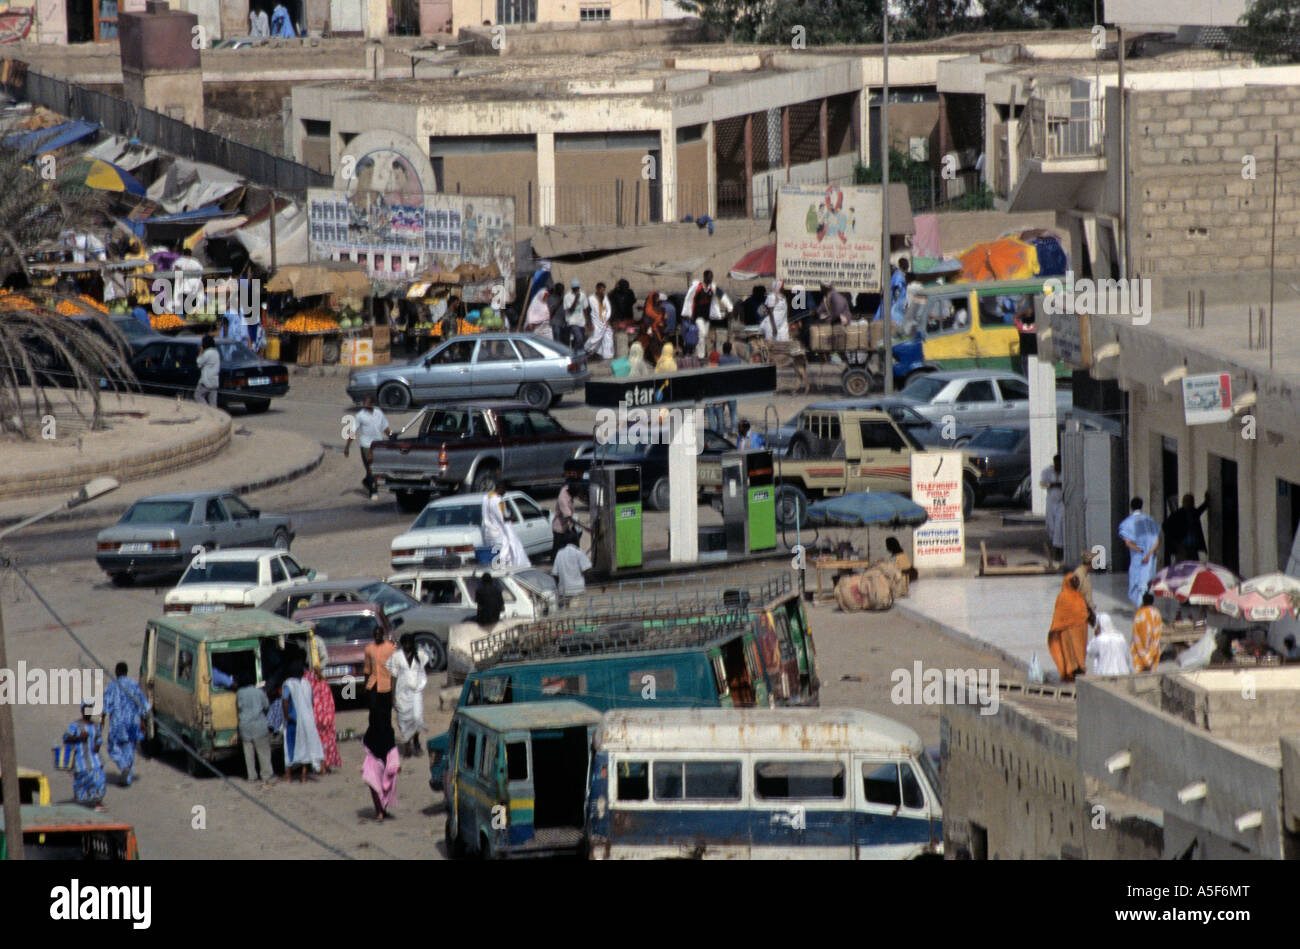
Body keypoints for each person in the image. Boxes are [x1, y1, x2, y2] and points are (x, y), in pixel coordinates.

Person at [100, 662, 150, 788]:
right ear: (126, 672)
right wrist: (143, 722)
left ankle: (123, 767)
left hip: (118, 722)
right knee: (129, 749)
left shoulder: (112, 685)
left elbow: (106, 705)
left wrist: (102, 721)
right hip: (133, 722)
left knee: (112, 746)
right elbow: (143, 705)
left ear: (116, 672)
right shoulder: (134, 685)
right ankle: (126, 779)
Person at [343, 395, 393, 502]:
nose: (365, 406)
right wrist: (347, 447)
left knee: (377, 468)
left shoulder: (379, 413)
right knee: (371, 468)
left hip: (378, 445)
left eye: (367, 403)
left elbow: (385, 428)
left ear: (372, 404)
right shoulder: (360, 415)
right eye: (364, 403)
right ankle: (373, 491)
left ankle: (367, 481)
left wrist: (393, 439)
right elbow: (353, 431)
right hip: (366, 445)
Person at [281, 661, 324, 781]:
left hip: (293, 720)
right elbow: (312, 701)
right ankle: (304, 776)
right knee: (305, 746)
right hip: (308, 719)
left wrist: (286, 715)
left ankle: (288, 774)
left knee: (290, 747)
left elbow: (285, 700)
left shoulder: (288, 684)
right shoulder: (307, 683)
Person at [361, 700, 401, 822]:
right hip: (386, 762)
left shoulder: (371, 731)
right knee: (384, 788)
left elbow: (366, 742)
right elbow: (392, 747)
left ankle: (379, 812)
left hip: (374, 762)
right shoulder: (389, 731)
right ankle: (383, 810)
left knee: (374, 788)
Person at [1119, 498, 1162, 607]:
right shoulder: (1150, 521)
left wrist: (1139, 550)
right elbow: (1157, 541)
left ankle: (1141, 609)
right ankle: (1147, 606)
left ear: (1131, 507)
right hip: (1150, 558)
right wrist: (1148, 554)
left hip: (1137, 558)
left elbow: (1128, 543)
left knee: (1137, 585)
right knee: (1147, 583)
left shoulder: (1127, 523)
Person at [63, 703, 108, 810]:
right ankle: (81, 801)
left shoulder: (96, 726)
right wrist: (79, 737)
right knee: (82, 782)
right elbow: (66, 738)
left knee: (99, 778)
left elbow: (98, 739)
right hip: (80, 760)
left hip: (94, 759)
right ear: (82, 711)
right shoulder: (75, 725)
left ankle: (98, 802)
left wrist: (98, 744)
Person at [1047, 574, 1089, 682]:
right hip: (1068, 631)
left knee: (1077, 653)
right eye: (1074, 580)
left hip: (1078, 631)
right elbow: (1059, 614)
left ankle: (1077, 670)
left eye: (1077, 580)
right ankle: (1072, 672)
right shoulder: (1064, 597)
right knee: (1071, 653)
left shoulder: (1079, 596)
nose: (1077, 582)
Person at [682, 269, 731, 359]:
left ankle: (701, 353)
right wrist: (686, 312)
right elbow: (688, 299)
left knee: (704, 336)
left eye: (712, 277)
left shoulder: (712, 288)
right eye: (709, 277)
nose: (711, 278)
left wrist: (729, 307)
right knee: (702, 333)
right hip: (698, 316)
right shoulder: (697, 287)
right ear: (705, 277)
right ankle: (700, 355)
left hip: (707, 316)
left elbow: (722, 296)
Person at [482, 480, 530, 567]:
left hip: (489, 531)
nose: (505, 492)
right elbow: (502, 518)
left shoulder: (486, 498)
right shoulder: (498, 501)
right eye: (505, 490)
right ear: (501, 488)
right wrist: (512, 517)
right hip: (500, 532)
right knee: (504, 552)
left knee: (494, 552)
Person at [236, 672, 274, 783]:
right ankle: (266, 775)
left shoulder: (239, 693)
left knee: (249, 753)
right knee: (263, 752)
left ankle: (251, 776)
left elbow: (239, 707)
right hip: (259, 725)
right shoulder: (259, 692)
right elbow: (267, 706)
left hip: (245, 726)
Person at [305, 663, 341, 773]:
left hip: (315, 718)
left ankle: (321, 767)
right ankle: (325, 764)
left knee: (317, 742)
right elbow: (330, 702)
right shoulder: (325, 684)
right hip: (327, 717)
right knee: (327, 741)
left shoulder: (310, 686)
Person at [1162, 492, 1210, 565]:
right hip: (1182, 547)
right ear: (1183, 502)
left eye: (1191, 501)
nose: (1189, 503)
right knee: (1183, 567)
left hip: (1193, 547)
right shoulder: (1178, 514)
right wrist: (1175, 542)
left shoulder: (1193, 512)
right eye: (1187, 501)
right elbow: (1165, 526)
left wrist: (1206, 502)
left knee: (1194, 566)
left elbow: (1200, 510)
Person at [552, 530, 592, 608]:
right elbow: (586, 571)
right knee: (576, 613)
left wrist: (558, 587)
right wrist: (596, 582)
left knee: (567, 613)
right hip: (577, 590)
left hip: (564, 591)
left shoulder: (559, 553)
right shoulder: (579, 552)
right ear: (576, 541)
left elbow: (555, 574)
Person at [363, 623, 397, 715]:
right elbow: (367, 668)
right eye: (375, 634)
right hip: (373, 684)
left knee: (386, 711)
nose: (377, 636)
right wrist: (366, 685)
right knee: (373, 711)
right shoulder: (369, 648)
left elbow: (396, 667)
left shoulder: (390, 648)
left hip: (386, 685)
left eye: (379, 634)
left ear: (382, 635)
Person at [1132, 593, 1163, 673]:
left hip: (1139, 651)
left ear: (1143, 601)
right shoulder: (1156, 613)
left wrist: (1143, 655)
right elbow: (1157, 632)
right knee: (1151, 675)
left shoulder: (1139, 613)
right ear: (1152, 601)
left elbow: (1136, 634)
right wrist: (1150, 655)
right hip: (1153, 650)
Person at [1041, 454, 1064, 562]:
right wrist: (1052, 484)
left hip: (1061, 502)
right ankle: (1053, 546)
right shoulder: (1047, 471)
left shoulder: (1065, 471)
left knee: (1059, 524)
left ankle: (1058, 550)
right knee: (1051, 525)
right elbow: (1042, 484)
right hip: (1051, 501)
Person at [585, 281, 614, 360]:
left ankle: (607, 354)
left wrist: (608, 319)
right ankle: (587, 350)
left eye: (604, 290)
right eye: (601, 289)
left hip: (605, 321)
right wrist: (589, 323)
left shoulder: (605, 298)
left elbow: (609, 309)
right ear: (597, 289)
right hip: (596, 321)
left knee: (608, 335)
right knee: (595, 338)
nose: (602, 291)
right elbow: (587, 311)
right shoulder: (591, 298)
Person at [552, 481, 580, 557]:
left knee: (575, 547)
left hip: (568, 526)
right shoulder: (563, 499)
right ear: (571, 492)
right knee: (559, 552)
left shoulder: (566, 489)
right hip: (560, 529)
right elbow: (568, 516)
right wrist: (585, 527)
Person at [1071, 549, 1097, 626]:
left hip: (1085, 613)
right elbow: (1073, 594)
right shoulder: (1079, 574)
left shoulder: (1086, 575)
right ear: (1090, 563)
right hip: (1078, 613)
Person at [195, 335, 220, 407]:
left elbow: (199, 363)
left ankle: (207, 410)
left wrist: (200, 351)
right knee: (213, 402)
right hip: (214, 381)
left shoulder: (207, 353)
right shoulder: (216, 353)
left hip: (206, 381)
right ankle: (214, 415)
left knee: (198, 396)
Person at [562, 278, 586, 350]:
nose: (576, 290)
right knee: (579, 338)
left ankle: (580, 358)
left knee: (580, 341)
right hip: (572, 322)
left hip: (581, 321)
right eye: (574, 289)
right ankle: (573, 355)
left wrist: (588, 322)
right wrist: (575, 299)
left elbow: (585, 308)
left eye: (577, 288)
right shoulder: (567, 297)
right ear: (572, 288)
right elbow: (570, 310)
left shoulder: (583, 295)